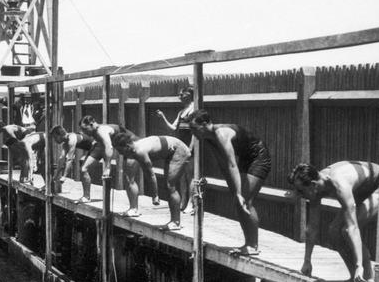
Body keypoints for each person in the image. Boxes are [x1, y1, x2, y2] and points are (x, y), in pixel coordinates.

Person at [287, 161, 379, 282]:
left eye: (300, 191)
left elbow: (353, 228)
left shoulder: (339, 184)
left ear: (313, 185)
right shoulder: (315, 188)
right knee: (333, 231)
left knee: (345, 229)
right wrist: (307, 261)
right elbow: (312, 228)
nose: (298, 195)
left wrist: (359, 265)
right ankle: (354, 279)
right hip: (362, 188)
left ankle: (368, 280)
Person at [189, 109, 271, 256]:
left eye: (195, 129)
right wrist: (234, 190)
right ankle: (248, 243)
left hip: (259, 156)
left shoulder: (221, 134)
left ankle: (253, 245)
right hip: (246, 158)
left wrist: (239, 193)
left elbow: (232, 164)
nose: (193, 134)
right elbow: (223, 164)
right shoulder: (208, 138)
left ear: (206, 123)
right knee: (238, 201)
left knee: (245, 200)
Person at [112, 133, 191, 230]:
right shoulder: (134, 150)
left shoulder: (139, 151)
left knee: (170, 186)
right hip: (170, 150)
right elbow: (147, 173)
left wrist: (155, 195)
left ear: (127, 146)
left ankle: (176, 222)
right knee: (169, 186)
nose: (120, 154)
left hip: (179, 150)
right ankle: (174, 221)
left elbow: (151, 174)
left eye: (120, 150)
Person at [78, 115, 138, 203]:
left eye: (85, 129)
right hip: (103, 144)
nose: (84, 132)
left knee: (129, 178)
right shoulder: (93, 131)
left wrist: (107, 167)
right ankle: (86, 197)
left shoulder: (101, 130)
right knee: (83, 169)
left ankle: (134, 209)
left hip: (130, 144)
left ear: (91, 124)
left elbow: (109, 147)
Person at [154, 86, 196, 214]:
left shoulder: (194, 109)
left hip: (190, 147)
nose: (180, 96)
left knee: (191, 176)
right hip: (181, 147)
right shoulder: (181, 112)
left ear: (189, 94)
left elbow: (195, 131)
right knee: (182, 176)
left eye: (182, 94)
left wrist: (190, 148)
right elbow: (173, 128)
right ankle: (183, 201)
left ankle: (191, 203)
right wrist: (163, 117)